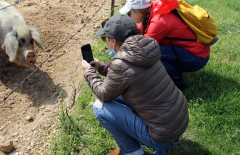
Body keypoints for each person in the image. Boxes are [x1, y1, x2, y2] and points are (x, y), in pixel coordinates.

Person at [81, 14, 189, 155]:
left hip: (162, 136)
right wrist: (100, 67)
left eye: (105, 39)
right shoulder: (146, 50)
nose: (106, 42)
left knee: (100, 107)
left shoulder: (122, 64)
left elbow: (103, 93)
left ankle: (133, 152)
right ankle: (160, 150)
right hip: (178, 121)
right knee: (127, 96)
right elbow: (126, 75)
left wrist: (89, 73)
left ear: (113, 41)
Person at [119, 0, 210, 90]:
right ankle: (173, 70)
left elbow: (143, 48)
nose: (128, 16)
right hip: (194, 52)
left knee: (150, 54)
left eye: (129, 13)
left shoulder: (159, 21)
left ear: (139, 13)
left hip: (197, 58)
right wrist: (120, 25)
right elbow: (143, 28)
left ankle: (177, 81)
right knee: (152, 53)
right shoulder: (155, 9)